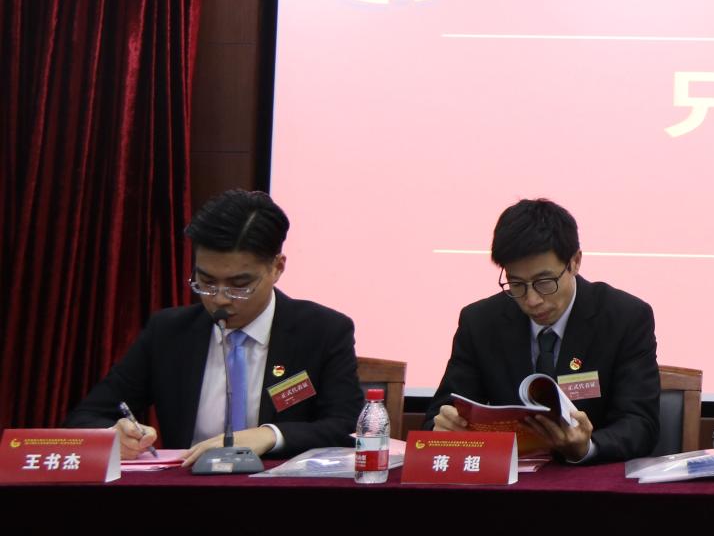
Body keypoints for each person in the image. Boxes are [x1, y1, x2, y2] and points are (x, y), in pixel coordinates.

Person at [66, 189, 360, 466]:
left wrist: (270, 435)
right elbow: (87, 416)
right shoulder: (168, 332)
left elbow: (345, 426)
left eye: (239, 285)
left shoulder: (323, 331)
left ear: (277, 267)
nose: (220, 299)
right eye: (206, 282)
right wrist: (115, 435)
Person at [423, 198, 660, 464]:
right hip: (508, 478)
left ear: (575, 262)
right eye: (516, 284)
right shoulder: (480, 322)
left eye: (544, 282)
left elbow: (640, 424)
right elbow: (440, 413)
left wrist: (587, 447)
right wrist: (445, 427)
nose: (532, 300)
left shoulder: (625, 318)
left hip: (590, 480)